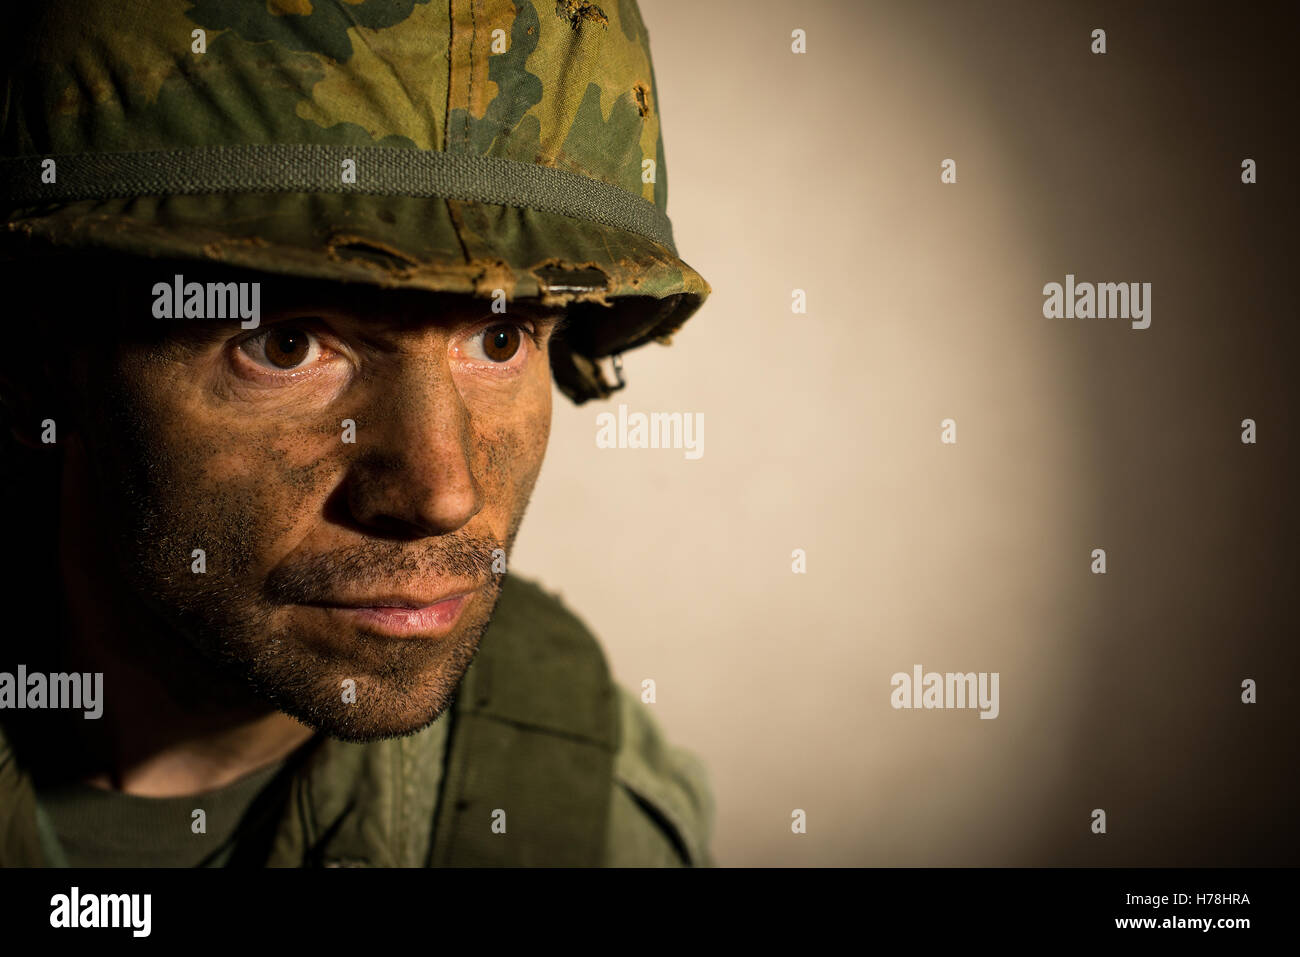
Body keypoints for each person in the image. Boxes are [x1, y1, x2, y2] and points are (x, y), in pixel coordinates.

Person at [0, 0, 713, 867]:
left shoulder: (581, 807)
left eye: (499, 338)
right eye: (286, 342)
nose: (442, 492)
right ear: (40, 357)